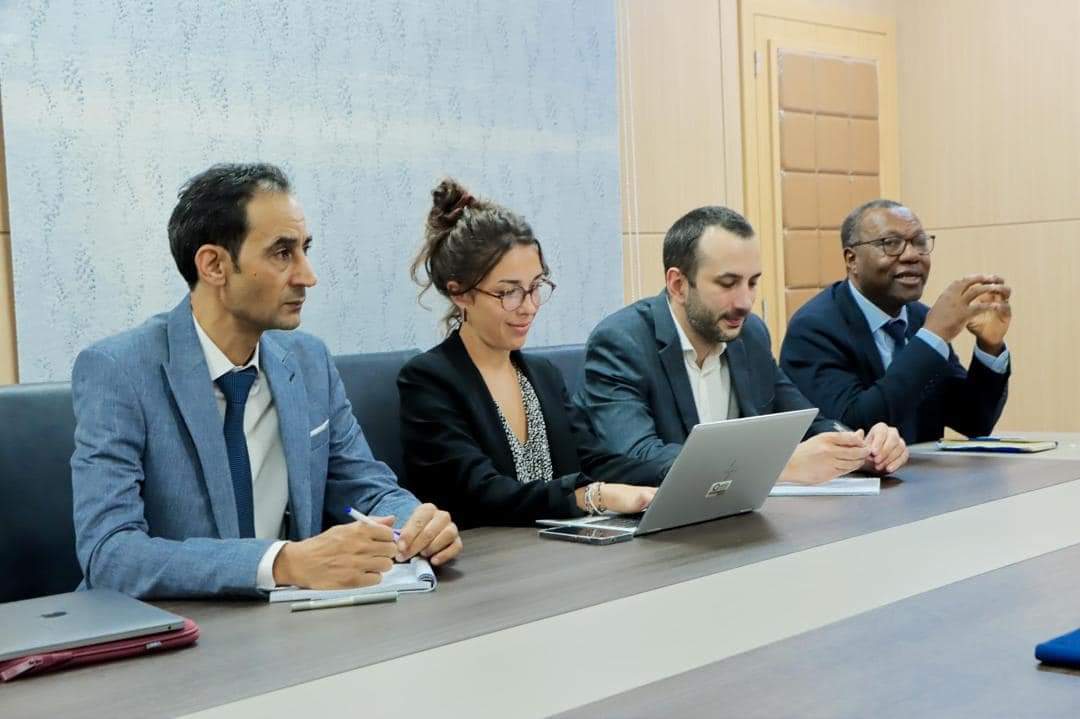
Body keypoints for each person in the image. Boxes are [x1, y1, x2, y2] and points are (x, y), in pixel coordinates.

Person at [70, 163, 461, 599]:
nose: (308, 276)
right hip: (175, 626)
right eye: (282, 253)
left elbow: (366, 490)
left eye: (305, 250)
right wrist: (280, 562)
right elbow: (109, 554)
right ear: (214, 265)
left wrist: (415, 523)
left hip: (291, 621)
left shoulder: (309, 362)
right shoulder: (119, 370)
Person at [397, 179, 665, 528]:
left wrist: (675, 473)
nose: (529, 307)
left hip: (557, 547)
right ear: (460, 293)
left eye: (535, 287)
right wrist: (590, 496)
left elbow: (595, 461)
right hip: (487, 554)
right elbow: (481, 493)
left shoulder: (542, 375)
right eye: (509, 293)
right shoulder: (429, 380)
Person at [574, 205, 909, 484]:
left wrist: (861, 449)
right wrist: (777, 466)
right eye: (728, 283)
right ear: (678, 285)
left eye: (752, 283)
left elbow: (806, 424)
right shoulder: (623, 341)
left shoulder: (750, 335)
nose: (745, 302)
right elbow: (638, 457)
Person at [779, 199, 1011, 443]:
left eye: (919, 242)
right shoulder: (814, 329)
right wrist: (932, 337)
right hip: (859, 468)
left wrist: (989, 346)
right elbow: (851, 429)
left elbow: (973, 421)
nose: (911, 255)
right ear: (852, 260)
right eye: (890, 243)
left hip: (924, 468)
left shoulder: (920, 318)